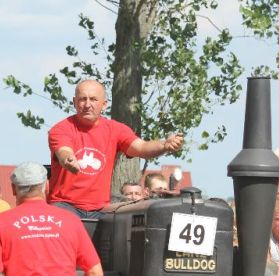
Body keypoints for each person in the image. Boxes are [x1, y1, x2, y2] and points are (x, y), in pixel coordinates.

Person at [48, 79, 183, 218]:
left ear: (104, 104)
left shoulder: (116, 129)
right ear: (74, 102)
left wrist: (164, 145)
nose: (87, 104)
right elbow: (63, 150)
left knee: (124, 224)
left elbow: (141, 147)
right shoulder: (61, 129)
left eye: (93, 99)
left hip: (100, 209)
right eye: (83, 99)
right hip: (65, 205)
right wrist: (68, 159)